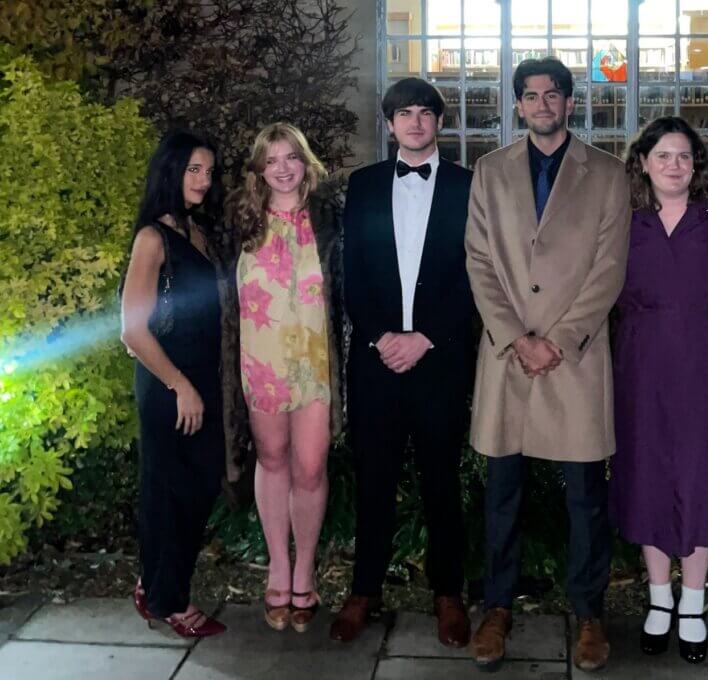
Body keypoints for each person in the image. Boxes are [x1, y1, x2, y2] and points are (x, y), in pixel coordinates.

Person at [465, 57, 630, 672]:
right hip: (508, 356)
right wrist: (516, 337)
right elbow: (479, 260)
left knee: (586, 494)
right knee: (501, 492)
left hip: (575, 357)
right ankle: (498, 607)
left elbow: (610, 266)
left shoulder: (607, 173)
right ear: (517, 105)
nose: (541, 104)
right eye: (529, 96)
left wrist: (559, 339)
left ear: (568, 102)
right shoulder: (489, 171)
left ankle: (589, 613)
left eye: (551, 94)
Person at [331, 78, 475, 647]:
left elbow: (479, 274)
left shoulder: (469, 185)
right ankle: (364, 590)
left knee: (442, 482)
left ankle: (448, 594)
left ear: (439, 122)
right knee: (374, 481)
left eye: (425, 113)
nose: (415, 122)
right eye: (404, 113)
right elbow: (352, 274)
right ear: (388, 124)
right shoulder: (362, 185)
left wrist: (428, 337)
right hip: (376, 361)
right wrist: (381, 336)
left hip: (439, 361)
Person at [610, 116, 708, 662]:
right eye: (663, 156)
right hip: (641, 362)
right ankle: (658, 598)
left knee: (702, 473)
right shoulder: (623, 222)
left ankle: (693, 601)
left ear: (697, 165)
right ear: (643, 162)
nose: (674, 166)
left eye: (684, 156)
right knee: (649, 472)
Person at [230, 122, 345, 633]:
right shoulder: (239, 222)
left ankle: (305, 569)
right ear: (259, 168)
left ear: (306, 163)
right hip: (261, 362)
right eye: (271, 159)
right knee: (272, 460)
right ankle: (278, 566)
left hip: (317, 364)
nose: (282, 167)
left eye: (291, 157)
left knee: (311, 466)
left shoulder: (328, 219)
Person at [121, 130, 228, 638]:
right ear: (170, 171)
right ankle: (168, 602)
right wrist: (179, 384)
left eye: (208, 171)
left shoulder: (197, 231)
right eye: (193, 170)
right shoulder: (152, 238)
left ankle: (155, 584)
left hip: (202, 377)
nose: (204, 181)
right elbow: (132, 330)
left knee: (200, 486)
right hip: (169, 381)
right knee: (168, 492)